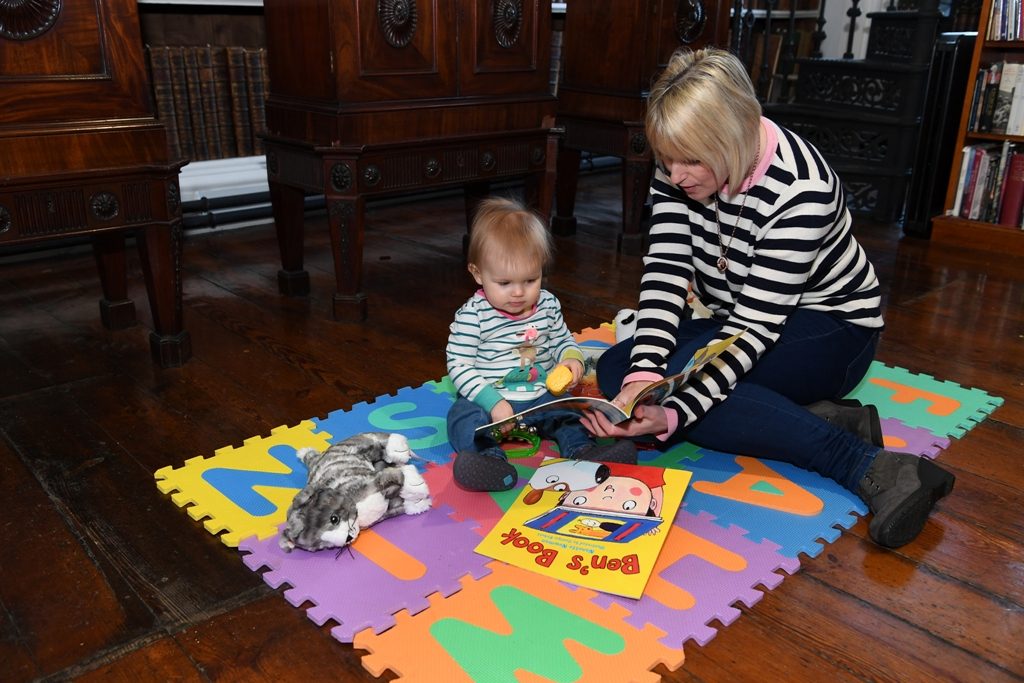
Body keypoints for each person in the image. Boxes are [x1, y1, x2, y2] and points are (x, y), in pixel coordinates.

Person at [580, 48, 955, 549]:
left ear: (737, 132)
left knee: (692, 395)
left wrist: (672, 414)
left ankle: (873, 465)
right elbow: (666, 274)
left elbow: (755, 330)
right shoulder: (680, 161)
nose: (675, 174)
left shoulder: (803, 189)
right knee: (618, 367)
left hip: (832, 329)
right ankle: (810, 414)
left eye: (691, 160)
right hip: (742, 319)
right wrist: (644, 378)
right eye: (666, 158)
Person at [447, 197, 637, 492]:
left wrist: (572, 359)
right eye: (505, 283)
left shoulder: (547, 305)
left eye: (531, 279)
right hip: (489, 399)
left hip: (540, 395)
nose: (519, 292)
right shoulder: (473, 315)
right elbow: (458, 365)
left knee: (571, 414)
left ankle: (584, 453)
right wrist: (493, 403)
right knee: (462, 418)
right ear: (477, 273)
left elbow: (562, 339)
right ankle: (489, 462)